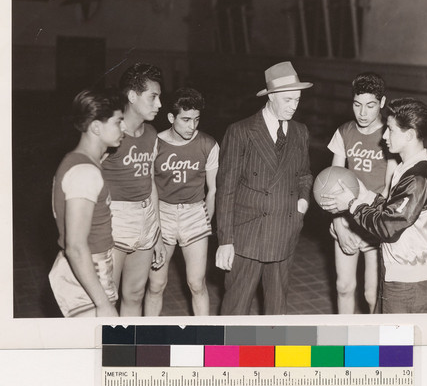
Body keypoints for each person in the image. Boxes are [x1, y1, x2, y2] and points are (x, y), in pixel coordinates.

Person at [323, 98, 427, 313]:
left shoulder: (418, 177)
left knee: (395, 346)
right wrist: (364, 194)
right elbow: (393, 209)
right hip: (400, 277)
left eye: (390, 129)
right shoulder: (409, 169)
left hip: (409, 283)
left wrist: (351, 204)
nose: (385, 136)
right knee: (389, 344)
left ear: (408, 135)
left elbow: (389, 226)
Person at [216, 61, 313, 315]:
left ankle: (274, 353)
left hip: (284, 231)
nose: (294, 106)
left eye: (298, 99)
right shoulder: (241, 131)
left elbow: (304, 175)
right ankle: (227, 355)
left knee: (277, 309)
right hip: (247, 234)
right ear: (271, 97)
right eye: (288, 99)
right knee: (235, 309)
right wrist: (225, 240)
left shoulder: (300, 132)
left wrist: (302, 202)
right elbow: (225, 189)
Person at [49, 89, 125, 317]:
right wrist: (102, 304)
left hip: (92, 266)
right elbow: (75, 246)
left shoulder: (80, 162)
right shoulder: (85, 172)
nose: (124, 128)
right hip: (87, 270)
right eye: (118, 122)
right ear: (96, 127)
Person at [144, 87, 219, 316]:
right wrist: (153, 224)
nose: (192, 126)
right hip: (162, 213)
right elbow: (148, 188)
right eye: (185, 120)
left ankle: (206, 338)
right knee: (156, 285)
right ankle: (147, 336)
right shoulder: (154, 144)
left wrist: (206, 219)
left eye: (196, 120)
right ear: (171, 118)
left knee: (197, 284)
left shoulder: (208, 144)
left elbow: (213, 189)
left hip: (195, 213)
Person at [327, 72, 397, 314]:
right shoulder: (344, 132)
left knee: (372, 294)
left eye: (370, 105)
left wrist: (376, 224)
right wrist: (338, 223)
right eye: (357, 105)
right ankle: (345, 344)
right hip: (346, 219)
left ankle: (374, 345)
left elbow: (390, 190)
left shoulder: (390, 136)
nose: (363, 113)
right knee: (344, 287)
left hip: (375, 222)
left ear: (382, 102)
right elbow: (333, 181)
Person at [101, 63, 166, 316]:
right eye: (153, 96)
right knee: (107, 297)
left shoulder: (151, 133)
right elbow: (84, 175)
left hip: (146, 219)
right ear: (132, 96)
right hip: (115, 221)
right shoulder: (110, 133)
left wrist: (157, 233)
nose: (159, 104)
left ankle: (131, 352)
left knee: (135, 294)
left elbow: (150, 183)